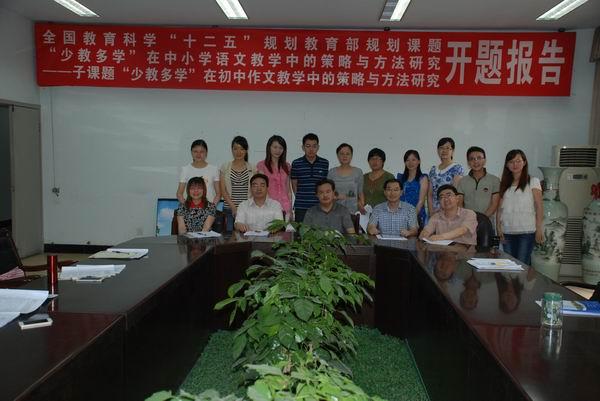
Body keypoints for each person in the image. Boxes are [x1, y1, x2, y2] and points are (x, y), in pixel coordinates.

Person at [496, 149, 543, 265]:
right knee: (509, 266)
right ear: (507, 165)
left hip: (526, 231)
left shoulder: (533, 181)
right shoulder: (504, 183)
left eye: (518, 161)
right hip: (507, 231)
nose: (515, 164)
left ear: (524, 162)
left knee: (522, 265)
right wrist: (498, 227)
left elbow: (539, 206)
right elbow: (500, 208)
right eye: (511, 162)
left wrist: (539, 229)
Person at [220, 136, 256, 231]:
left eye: (242, 149)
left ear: (246, 150)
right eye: (235, 149)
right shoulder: (225, 167)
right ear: (232, 150)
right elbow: (223, 190)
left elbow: (254, 190)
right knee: (229, 236)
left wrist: (244, 208)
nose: (238, 152)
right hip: (229, 209)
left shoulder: (252, 168)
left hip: (247, 210)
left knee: (246, 236)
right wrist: (233, 207)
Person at [290, 133, 329, 222]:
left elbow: (324, 185)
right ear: (303, 147)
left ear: (318, 147)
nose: (311, 149)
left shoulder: (324, 163)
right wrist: (302, 197)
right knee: (301, 230)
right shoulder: (296, 163)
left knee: (319, 230)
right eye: (308, 146)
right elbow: (294, 185)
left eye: (314, 146)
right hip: (301, 206)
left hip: (319, 206)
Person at [457, 146, 500, 218]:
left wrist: (482, 220)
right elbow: (459, 204)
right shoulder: (462, 181)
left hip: (487, 221)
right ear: (468, 162)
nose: (476, 161)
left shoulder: (494, 180)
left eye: (479, 158)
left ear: (484, 160)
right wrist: (468, 219)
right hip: (467, 221)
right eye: (472, 159)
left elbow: (494, 204)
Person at [256, 135, 292, 220]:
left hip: (285, 207)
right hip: (269, 207)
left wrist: (290, 208)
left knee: (285, 229)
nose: (278, 150)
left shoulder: (287, 166)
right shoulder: (262, 165)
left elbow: (288, 190)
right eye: (275, 147)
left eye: (281, 148)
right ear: (269, 148)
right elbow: (262, 189)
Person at [177, 139, 220, 205]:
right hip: (190, 209)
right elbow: (179, 194)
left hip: (209, 209)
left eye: (202, 152)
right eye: (195, 151)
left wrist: (212, 207)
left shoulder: (214, 169)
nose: (198, 154)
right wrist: (187, 207)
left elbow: (218, 193)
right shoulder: (185, 169)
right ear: (191, 152)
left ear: (206, 153)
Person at [428, 137, 464, 216]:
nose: (444, 151)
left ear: (452, 151)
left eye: (448, 148)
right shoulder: (433, 169)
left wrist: (442, 211)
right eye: (441, 148)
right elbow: (430, 194)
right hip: (433, 212)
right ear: (438, 150)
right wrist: (431, 212)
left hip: (449, 211)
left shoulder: (457, 168)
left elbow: (455, 193)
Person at [328, 143, 364, 214]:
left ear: (351, 155)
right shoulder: (332, 172)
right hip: (335, 212)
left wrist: (362, 204)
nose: (345, 156)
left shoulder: (358, 172)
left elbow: (360, 192)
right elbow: (328, 193)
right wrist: (338, 197)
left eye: (347, 154)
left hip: (353, 212)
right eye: (342, 154)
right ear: (337, 156)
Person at [397, 150, 429, 226]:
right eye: (407, 160)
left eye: (413, 160)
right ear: (405, 162)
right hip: (400, 215)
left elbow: (421, 201)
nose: (410, 163)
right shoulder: (400, 178)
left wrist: (411, 218)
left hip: (417, 216)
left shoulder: (423, 178)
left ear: (419, 161)